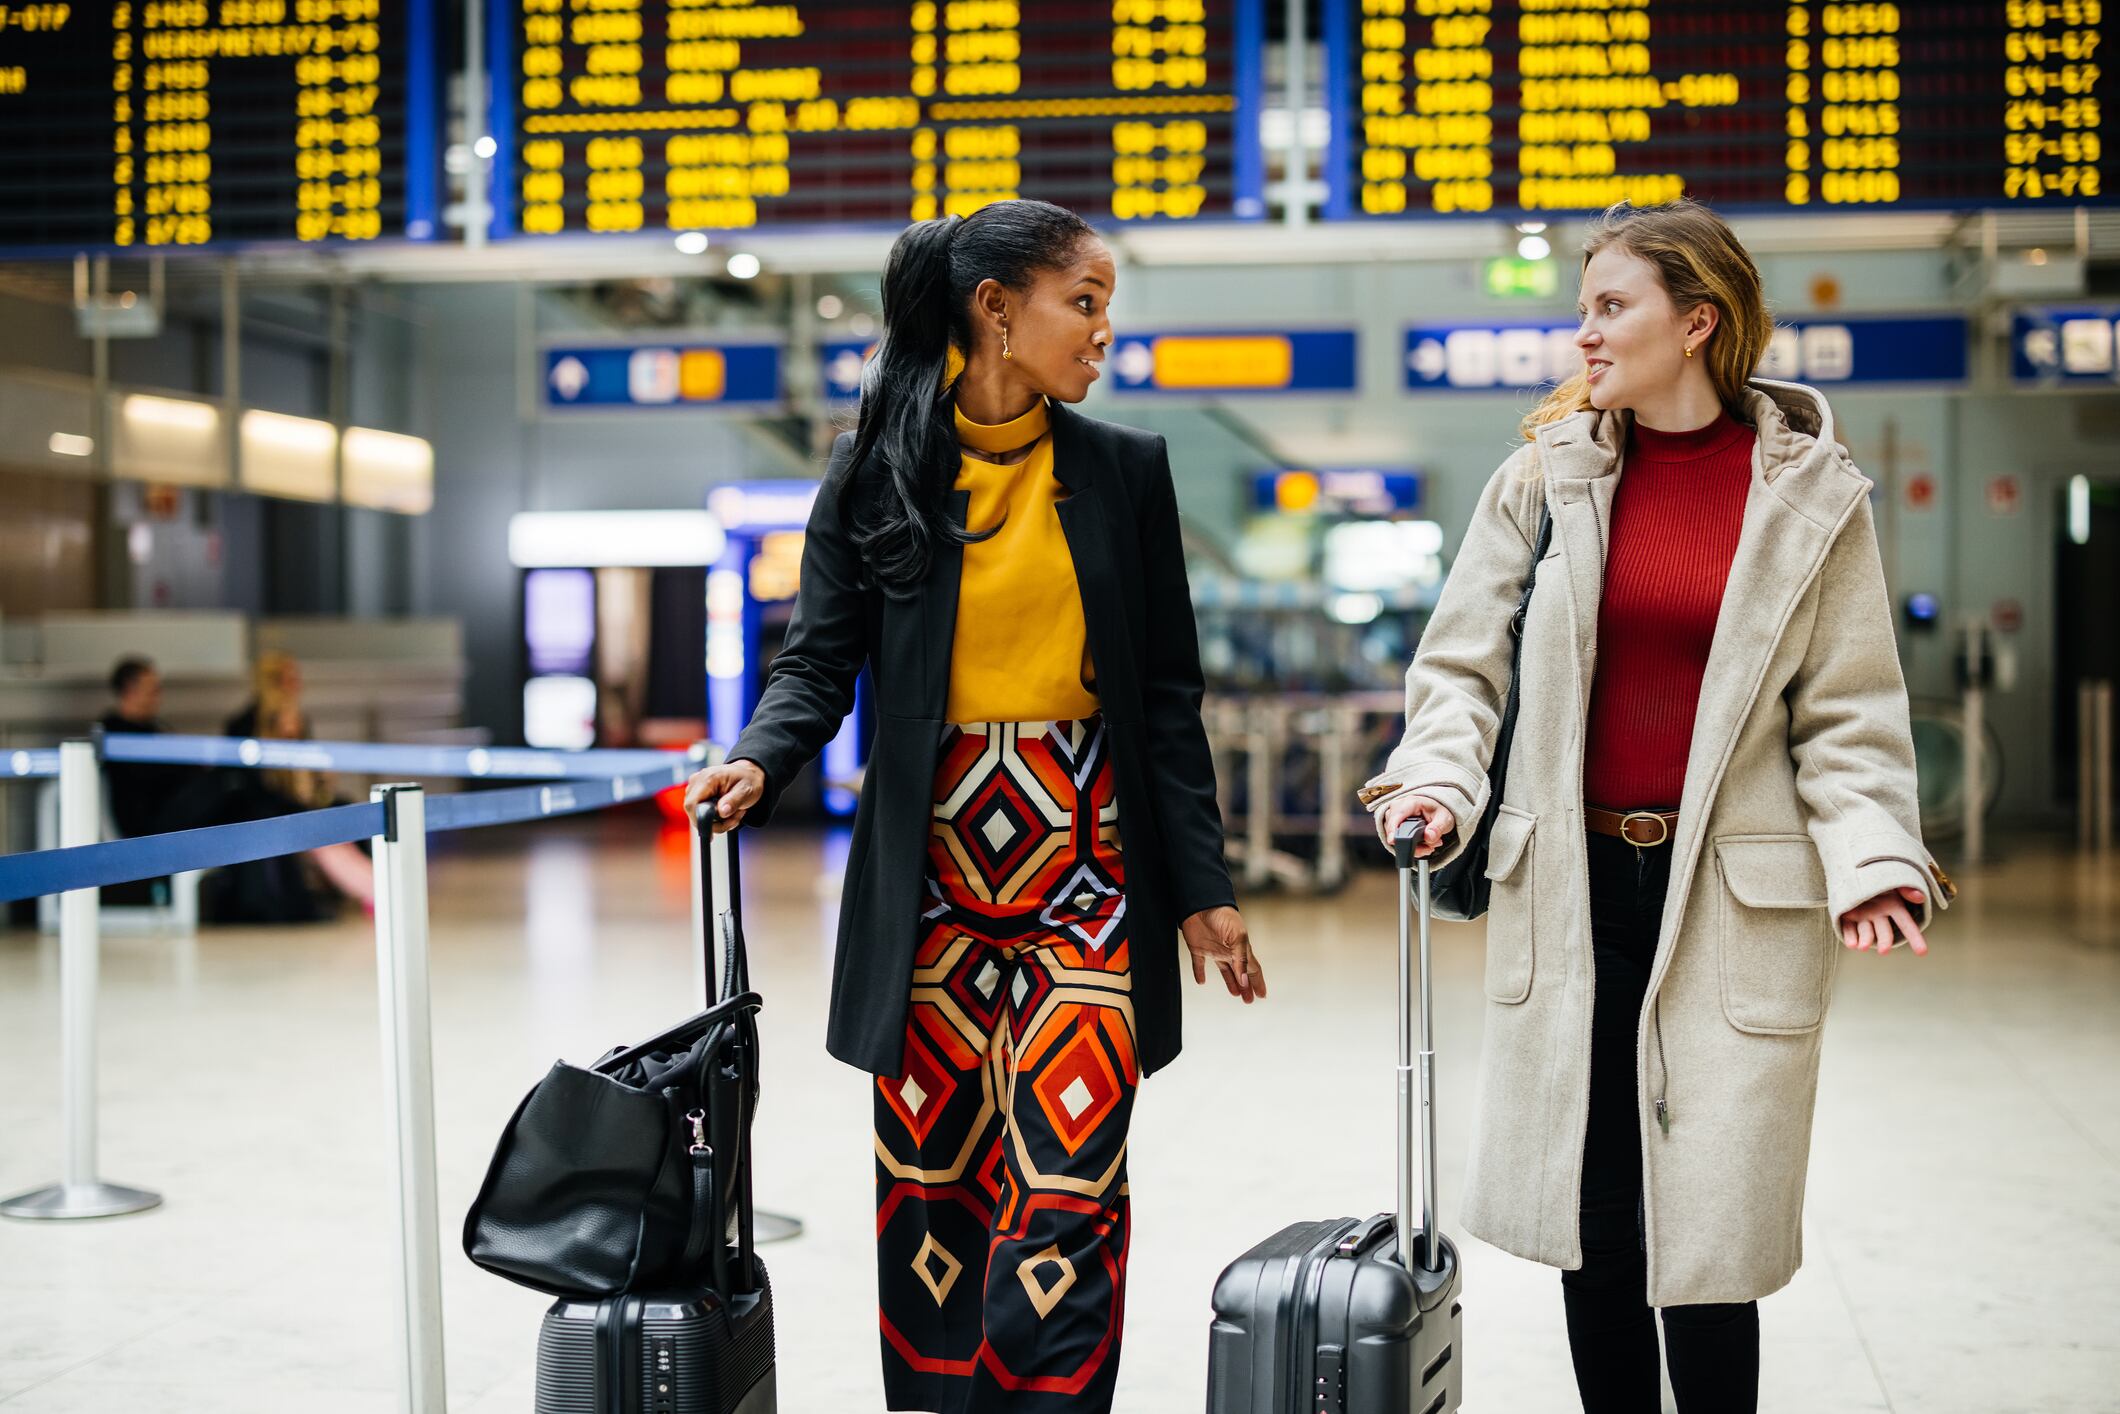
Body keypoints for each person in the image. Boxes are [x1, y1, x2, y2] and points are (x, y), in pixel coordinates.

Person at [1361, 198, 1954, 1414]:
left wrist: (1874, 857)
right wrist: (1435, 780)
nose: (1581, 335)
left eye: (1608, 307)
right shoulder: (1541, 479)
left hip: (1727, 896)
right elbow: (1462, 667)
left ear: (1695, 322)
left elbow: (1844, 710)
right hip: (1570, 883)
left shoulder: (1811, 497)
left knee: (1705, 1227)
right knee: (1597, 1217)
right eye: (1581, 309)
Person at [681, 199, 1265, 1414]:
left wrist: (1202, 893)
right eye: (1084, 303)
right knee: (935, 1185)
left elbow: (1164, 701)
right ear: (995, 311)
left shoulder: (1123, 471)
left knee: (1067, 1184)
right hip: (931, 884)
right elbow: (815, 660)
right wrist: (760, 757)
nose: (1104, 333)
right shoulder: (874, 469)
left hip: (1088, 872)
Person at [97, 653, 372, 918]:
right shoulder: (114, 734)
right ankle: (355, 891)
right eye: (152, 688)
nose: (158, 695)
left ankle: (357, 889)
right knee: (255, 802)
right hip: (158, 822)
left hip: (203, 810)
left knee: (327, 811)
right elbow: (147, 789)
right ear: (130, 689)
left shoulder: (155, 729)